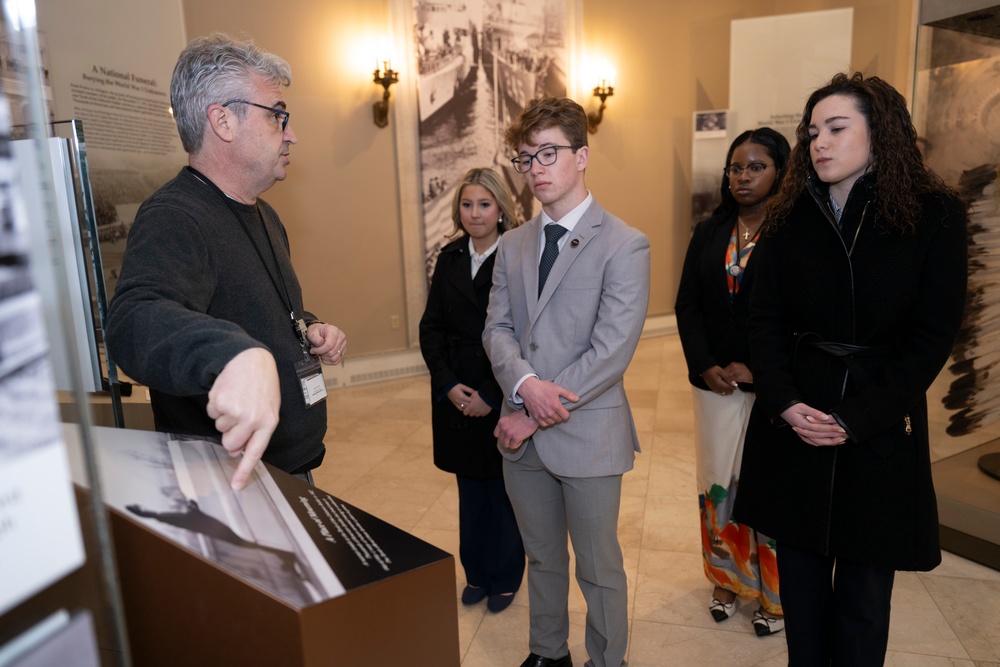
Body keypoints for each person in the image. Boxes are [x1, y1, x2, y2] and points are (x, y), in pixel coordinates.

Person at [732, 72, 968, 666]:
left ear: (880, 132)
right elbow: (762, 321)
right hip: (797, 416)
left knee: (864, 599)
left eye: (837, 128)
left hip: (878, 423)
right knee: (803, 593)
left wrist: (858, 417)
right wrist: (783, 401)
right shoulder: (789, 213)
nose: (819, 143)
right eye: (813, 132)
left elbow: (931, 336)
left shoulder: (933, 213)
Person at [106, 34, 346, 491]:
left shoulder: (264, 213)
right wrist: (234, 354)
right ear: (223, 121)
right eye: (278, 116)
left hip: (286, 468)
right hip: (230, 481)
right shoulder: (174, 217)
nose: (291, 133)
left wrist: (309, 327)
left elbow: (252, 308)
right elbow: (133, 320)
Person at [483, 97, 650, 667]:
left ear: (581, 155)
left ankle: (607, 661)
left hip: (587, 435)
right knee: (543, 558)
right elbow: (497, 330)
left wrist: (532, 409)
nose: (536, 168)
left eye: (549, 153)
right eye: (526, 157)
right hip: (522, 434)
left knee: (599, 568)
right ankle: (547, 654)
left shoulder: (625, 244)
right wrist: (524, 384)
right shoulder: (512, 244)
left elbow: (611, 352)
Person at [675, 127, 790, 636]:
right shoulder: (709, 230)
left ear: (781, 173)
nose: (742, 176)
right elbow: (688, 304)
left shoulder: (795, 234)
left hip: (773, 389)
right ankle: (725, 579)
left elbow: (802, 316)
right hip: (715, 387)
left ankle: (775, 595)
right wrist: (705, 365)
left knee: (766, 486)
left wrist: (759, 370)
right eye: (736, 167)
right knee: (718, 483)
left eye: (756, 166)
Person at [418, 167, 525, 613]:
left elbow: (521, 332)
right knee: (469, 492)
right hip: (456, 394)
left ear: (501, 208)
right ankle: (477, 574)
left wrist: (488, 393)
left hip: (498, 390)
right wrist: (449, 385)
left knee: (502, 492)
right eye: (467, 204)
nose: (475, 213)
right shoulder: (450, 256)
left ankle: (505, 576)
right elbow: (432, 328)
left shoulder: (518, 256)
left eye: (484, 204)